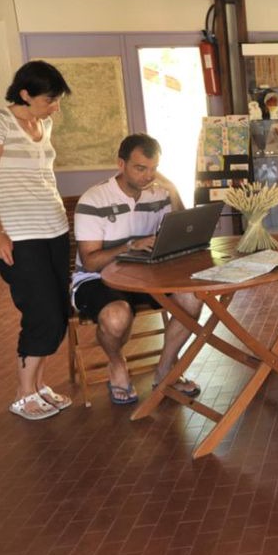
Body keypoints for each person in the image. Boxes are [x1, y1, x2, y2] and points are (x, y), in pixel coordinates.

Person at [73, 134, 202, 405]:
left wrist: (174, 189)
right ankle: (117, 363)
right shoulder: (94, 199)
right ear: (121, 164)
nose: (148, 176)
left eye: (153, 169)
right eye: (140, 168)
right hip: (97, 278)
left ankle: (166, 369)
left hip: (145, 274)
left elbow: (182, 230)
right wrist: (129, 246)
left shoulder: (158, 192)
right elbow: (90, 262)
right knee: (117, 317)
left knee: (191, 298)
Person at [0, 61, 74, 420]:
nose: (55, 107)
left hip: (54, 228)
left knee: (59, 311)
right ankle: (22, 393)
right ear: (25, 94)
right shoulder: (0, 123)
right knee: (40, 310)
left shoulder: (43, 124)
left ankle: (40, 386)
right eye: (50, 99)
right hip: (19, 232)